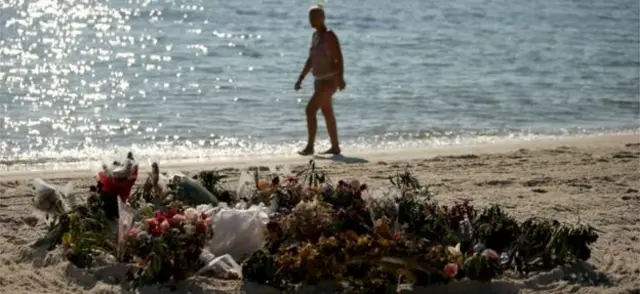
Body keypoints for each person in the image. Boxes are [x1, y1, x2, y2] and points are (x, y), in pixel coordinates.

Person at [295, 4, 346, 156]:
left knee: (310, 110)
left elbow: (339, 57)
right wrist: (301, 78)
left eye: (314, 17)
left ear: (322, 18)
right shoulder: (315, 36)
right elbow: (311, 60)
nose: (311, 20)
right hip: (318, 80)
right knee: (327, 111)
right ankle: (335, 146)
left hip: (329, 81)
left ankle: (310, 146)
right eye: (310, 17)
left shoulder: (329, 35)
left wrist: (341, 78)